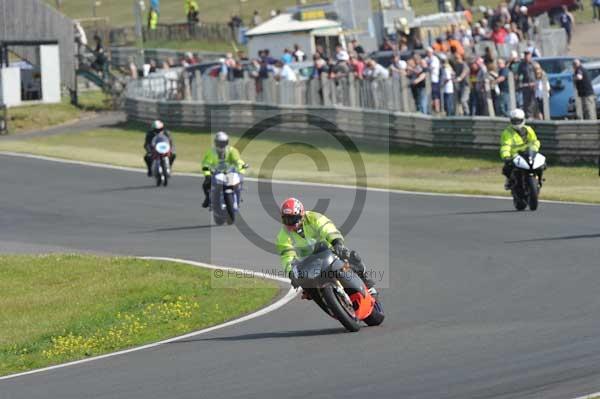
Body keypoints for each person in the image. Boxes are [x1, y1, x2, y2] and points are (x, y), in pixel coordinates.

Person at [276, 198, 377, 294]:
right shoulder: (283, 235)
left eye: (293, 219)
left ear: (301, 214)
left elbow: (326, 227)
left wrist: (336, 242)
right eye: (286, 220)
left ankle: (367, 283)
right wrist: (291, 273)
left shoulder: (313, 217)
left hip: (328, 252)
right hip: (308, 263)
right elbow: (286, 257)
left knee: (350, 257)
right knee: (305, 289)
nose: (290, 223)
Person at [201, 132, 247, 208]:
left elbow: (238, 160)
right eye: (219, 143)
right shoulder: (211, 152)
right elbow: (206, 164)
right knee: (206, 184)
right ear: (215, 142)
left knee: (240, 181)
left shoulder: (232, 151)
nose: (221, 145)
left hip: (230, 172)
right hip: (216, 172)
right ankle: (208, 198)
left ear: (227, 143)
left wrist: (241, 170)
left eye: (223, 143)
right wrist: (207, 175)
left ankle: (238, 196)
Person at [499, 109, 541, 189]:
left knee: (541, 164)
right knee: (507, 168)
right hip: (515, 156)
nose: (516, 123)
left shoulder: (528, 130)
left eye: (518, 121)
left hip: (528, 153)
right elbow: (505, 146)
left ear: (523, 120)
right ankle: (509, 181)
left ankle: (538, 179)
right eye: (514, 121)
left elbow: (534, 141)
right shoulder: (507, 132)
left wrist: (534, 150)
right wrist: (506, 156)